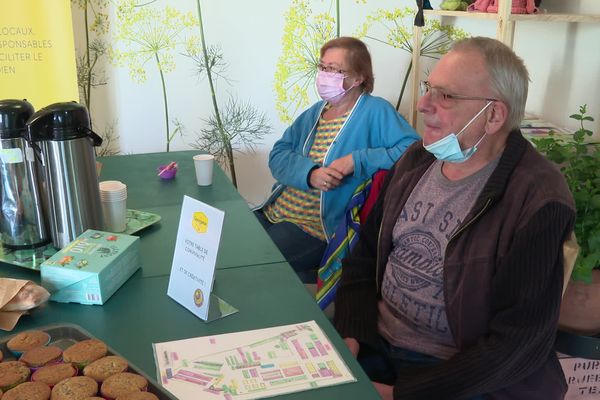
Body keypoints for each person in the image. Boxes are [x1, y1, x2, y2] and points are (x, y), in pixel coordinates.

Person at [333, 37, 576, 399]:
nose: (423, 104)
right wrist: (352, 334)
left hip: (461, 376)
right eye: (429, 88)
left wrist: (403, 394)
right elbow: (363, 259)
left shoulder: (539, 199)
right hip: (377, 347)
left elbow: (516, 344)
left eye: (446, 96)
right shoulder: (417, 160)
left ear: (493, 115)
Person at [254, 37, 419, 283]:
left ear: (359, 77)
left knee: (251, 263)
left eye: (334, 69)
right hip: (275, 210)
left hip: (315, 227)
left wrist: (357, 159)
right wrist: (310, 174)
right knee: (230, 245)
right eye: (323, 67)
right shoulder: (316, 112)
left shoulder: (375, 111)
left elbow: (414, 151)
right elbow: (278, 154)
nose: (325, 75)